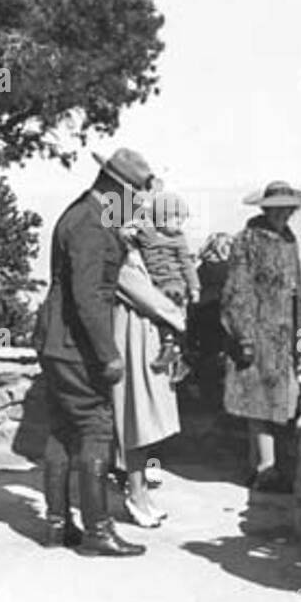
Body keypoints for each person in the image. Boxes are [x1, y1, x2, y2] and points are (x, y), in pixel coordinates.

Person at [32, 146, 154, 557]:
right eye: (134, 197)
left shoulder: (83, 213)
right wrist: (108, 355)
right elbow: (87, 297)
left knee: (63, 430)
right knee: (95, 428)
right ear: (117, 189)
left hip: (56, 341)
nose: (137, 205)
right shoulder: (91, 224)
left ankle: (56, 525)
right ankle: (97, 531)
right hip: (75, 345)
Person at [220, 180, 301, 492]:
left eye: (288, 209)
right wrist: (244, 336)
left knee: (277, 403)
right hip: (257, 334)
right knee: (258, 404)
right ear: (265, 209)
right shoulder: (246, 241)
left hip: (284, 337)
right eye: (277, 209)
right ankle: (264, 470)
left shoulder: (289, 240)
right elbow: (237, 291)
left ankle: (260, 468)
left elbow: (297, 291)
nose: (283, 214)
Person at [111, 225, 186, 526]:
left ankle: (140, 490)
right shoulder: (120, 261)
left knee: (143, 421)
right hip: (130, 341)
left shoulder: (138, 256)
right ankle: (135, 494)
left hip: (143, 339)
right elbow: (149, 299)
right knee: (134, 418)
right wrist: (178, 315)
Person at [131, 188, 199, 376]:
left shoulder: (179, 239)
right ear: (162, 218)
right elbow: (134, 228)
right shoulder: (147, 233)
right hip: (153, 281)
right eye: (176, 220)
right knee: (156, 311)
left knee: (170, 306)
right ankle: (175, 351)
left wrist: (194, 287)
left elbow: (187, 264)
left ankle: (171, 347)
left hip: (172, 281)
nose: (179, 225)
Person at [187, 232, 233, 408]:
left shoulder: (199, 270)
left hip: (201, 323)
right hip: (220, 323)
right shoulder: (230, 271)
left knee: (207, 362)